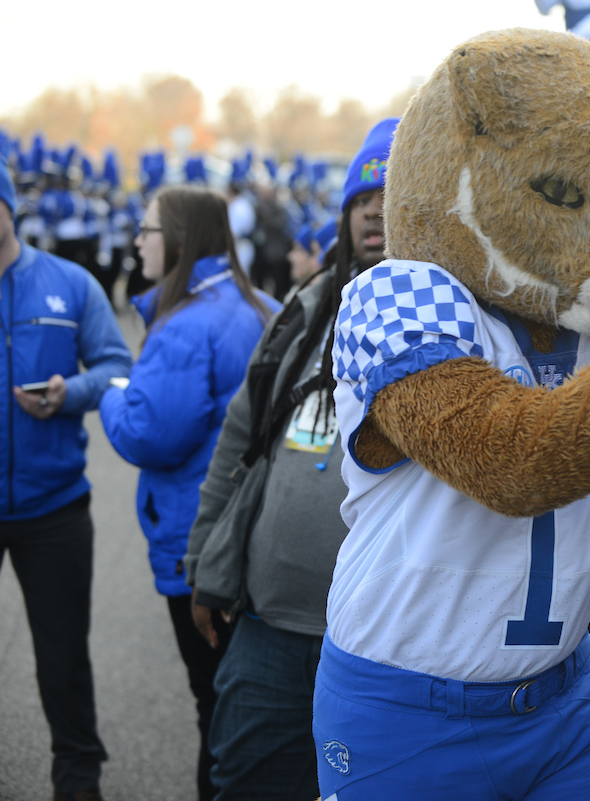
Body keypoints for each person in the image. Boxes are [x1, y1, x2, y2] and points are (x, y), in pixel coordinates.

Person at [184, 119, 394, 801]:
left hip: (378, 646)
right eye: (362, 199)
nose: (373, 209)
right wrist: (207, 564)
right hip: (268, 629)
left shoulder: (456, 324)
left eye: (393, 196)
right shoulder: (303, 311)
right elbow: (239, 443)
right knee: (244, 782)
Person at [99, 186, 279, 801]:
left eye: (146, 231)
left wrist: (110, 392)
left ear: (176, 240)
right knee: (246, 702)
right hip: (254, 532)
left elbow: (150, 436)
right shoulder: (261, 304)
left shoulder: (184, 327)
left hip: (195, 540)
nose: (137, 243)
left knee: (214, 705)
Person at [0, 162, 132, 801]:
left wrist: (69, 391)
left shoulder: (70, 283)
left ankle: (78, 781)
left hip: (53, 507)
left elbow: (115, 365)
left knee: (62, 661)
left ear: (9, 208)